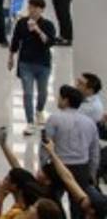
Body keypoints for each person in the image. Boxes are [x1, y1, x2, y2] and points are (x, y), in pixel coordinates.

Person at [45, 85, 100, 217]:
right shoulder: (89, 123)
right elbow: (94, 152)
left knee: (51, 200)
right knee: (78, 206)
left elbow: (46, 144)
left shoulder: (54, 118)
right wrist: (92, 173)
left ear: (66, 100)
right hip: (81, 168)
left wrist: (43, 166)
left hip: (58, 167)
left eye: (60, 97)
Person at [8, 0, 57, 134]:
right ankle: (29, 122)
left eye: (35, 8)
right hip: (25, 63)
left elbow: (50, 43)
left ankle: (39, 110)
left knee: (43, 92)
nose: (32, 10)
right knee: (27, 93)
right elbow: (15, 40)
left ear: (41, 10)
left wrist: (38, 30)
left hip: (43, 64)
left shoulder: (48, 25)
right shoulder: (22, 23)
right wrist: (11, 57)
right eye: (30, 7)